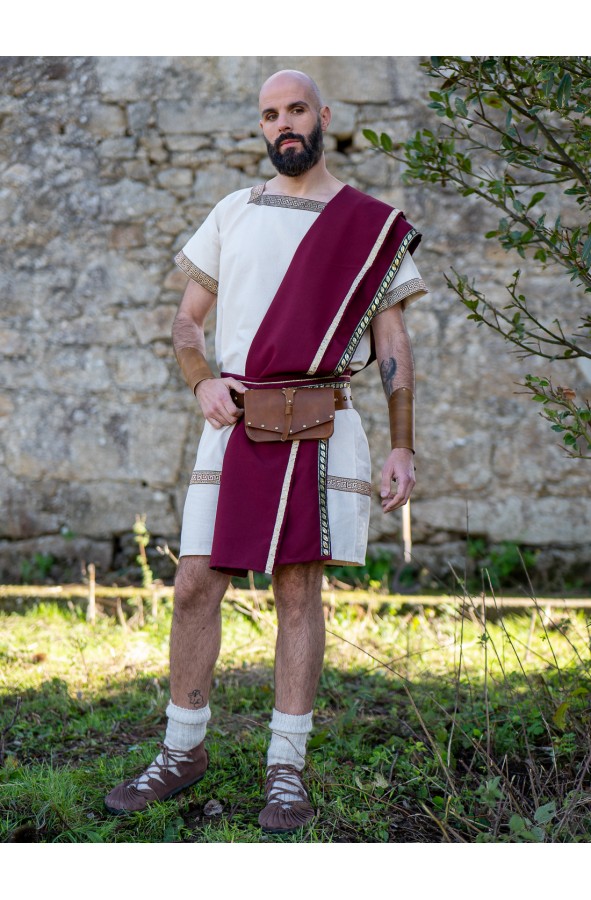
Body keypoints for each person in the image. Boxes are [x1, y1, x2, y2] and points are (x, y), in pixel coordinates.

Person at [105, 69, 428, 833]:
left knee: (296, 593)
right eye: (268, 115)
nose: (283, 124)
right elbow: (187, 322)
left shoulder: (370, 227)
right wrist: (199, 381)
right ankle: (182, 750)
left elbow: (393, 345)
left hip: (322, 421)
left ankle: (286, 767)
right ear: (260, 127)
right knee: (193, 584)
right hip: (237, 418)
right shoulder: (232, 212)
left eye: (295, 110)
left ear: (323, 116)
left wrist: (403, 445)